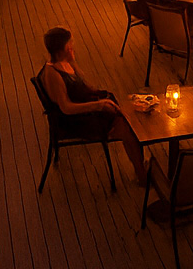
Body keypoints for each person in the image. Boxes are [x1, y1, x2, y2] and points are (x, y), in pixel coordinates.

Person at [39, 27, 144, 180]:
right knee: (127, 129)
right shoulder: (53, 74)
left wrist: (101, 98)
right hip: (74, 120)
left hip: (86, 109)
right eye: (69, 45)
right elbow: (66, 108)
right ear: (61, 49)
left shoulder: (66, 62)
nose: (72, 47)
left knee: (129, 118)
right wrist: (98, 105)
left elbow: (83, 85)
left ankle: (139, 166)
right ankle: (142, 174)